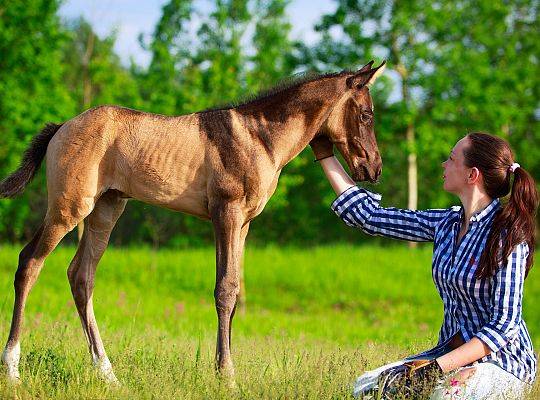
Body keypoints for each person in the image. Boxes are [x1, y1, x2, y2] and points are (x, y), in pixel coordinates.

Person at [311, 132, 538, 399]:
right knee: (368, 388)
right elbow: (370, 217)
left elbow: (503, 325)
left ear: (472, 175)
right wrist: (325, 154)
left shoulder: (506, 236)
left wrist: (434, 370)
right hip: (450, 354)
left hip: (504, 363)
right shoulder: (446, 223)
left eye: (451, 159)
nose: (444, 164)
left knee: (447, 395)